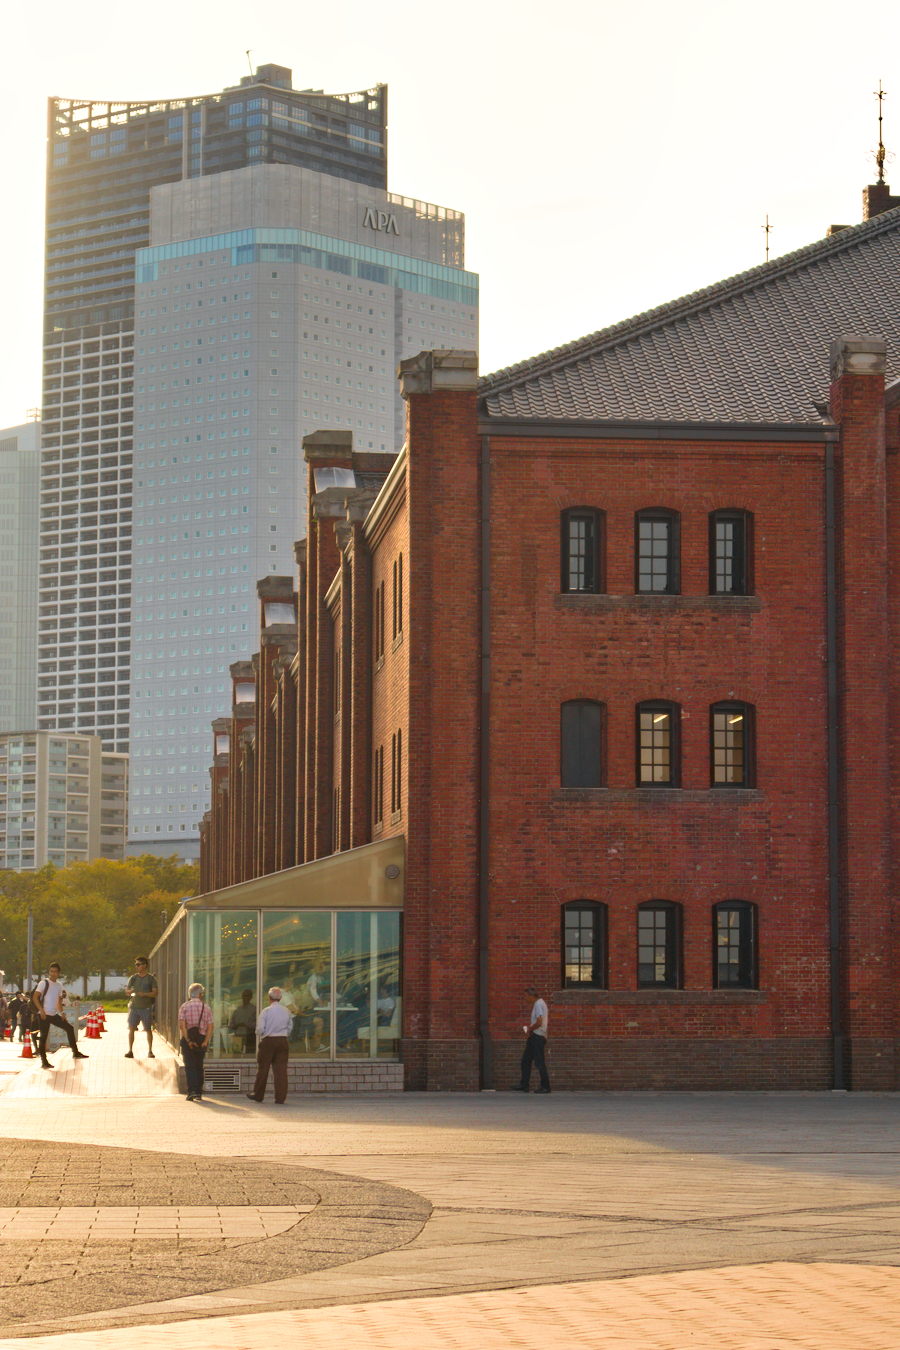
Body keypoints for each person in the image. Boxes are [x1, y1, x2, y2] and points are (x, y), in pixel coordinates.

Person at [33, 963, 89, 1069]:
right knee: (43, 1037)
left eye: (55, 971)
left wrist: (62, 1013)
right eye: (51, 971)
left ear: (58, 973)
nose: (53, 973)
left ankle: (75, 1052)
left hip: (53, 1014)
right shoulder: (43, 983)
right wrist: (41, 1010)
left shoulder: (59, 985)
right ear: (49, 972)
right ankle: (44, 1061)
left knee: (69, 1028)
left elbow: (58, 1002)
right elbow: (35, 998)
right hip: (43, 1015)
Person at [246, 987, 293, 1104]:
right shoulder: (286, 1011)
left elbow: (260, 1029)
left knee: (263, 1069)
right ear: (281, 998)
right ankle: (280, 1097)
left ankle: (258, 1094)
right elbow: (290, 1027)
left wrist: (261, 1033)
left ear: (269, 998)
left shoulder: (266, 1011)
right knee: (281, 1070)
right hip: (282, 1041)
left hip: (268, 1041)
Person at [178, 982, 213, 1102]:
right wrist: (206, 1041)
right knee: (199, 1066)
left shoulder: (184, 1006)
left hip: (189, 1039)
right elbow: (210, 1026)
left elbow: (182, 1025)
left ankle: (191, 1091)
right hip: (201, 1038)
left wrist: (187, 1040)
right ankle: (198, 1092)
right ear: (200, 994)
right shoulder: (206, 1007)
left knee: (190, 1066)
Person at [516, 984, 550, 1094]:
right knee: (525, 1060)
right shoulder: (539, 1003)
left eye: (526, 996)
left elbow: (539, 1022)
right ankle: (524, 1085)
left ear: (531, 996)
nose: (525, 999)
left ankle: (545, 1087)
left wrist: (530, 1029)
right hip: (535, 1036)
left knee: (539, 1062)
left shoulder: (538, 1004)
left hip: (537, 1036)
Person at [124, 956, 158, 1059]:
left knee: (148, 1029)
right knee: (131, 1028)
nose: (137, 966)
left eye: (138, 964)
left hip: (146, 1008)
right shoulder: (133, 978)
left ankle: (150, 1051)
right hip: (134, 1007)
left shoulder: (151, 978)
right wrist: (130, 992)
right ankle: (130, 1050)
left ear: (145, 965)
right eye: (136, 964)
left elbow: (155, 993)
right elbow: (127, 991)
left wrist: (144, 994)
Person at [227, 989, 257, 1053]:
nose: (245, 997)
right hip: (238, 1036)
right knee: (236, 1055)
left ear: (250, 997)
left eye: (247, 996)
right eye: (244, 996)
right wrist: (237, 1025)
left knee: (250, 1056)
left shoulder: (254, 1010)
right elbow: (231, 1025)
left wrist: (247, 1025)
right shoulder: (237, 1010)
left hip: (250, 1036)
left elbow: (257, 1025)